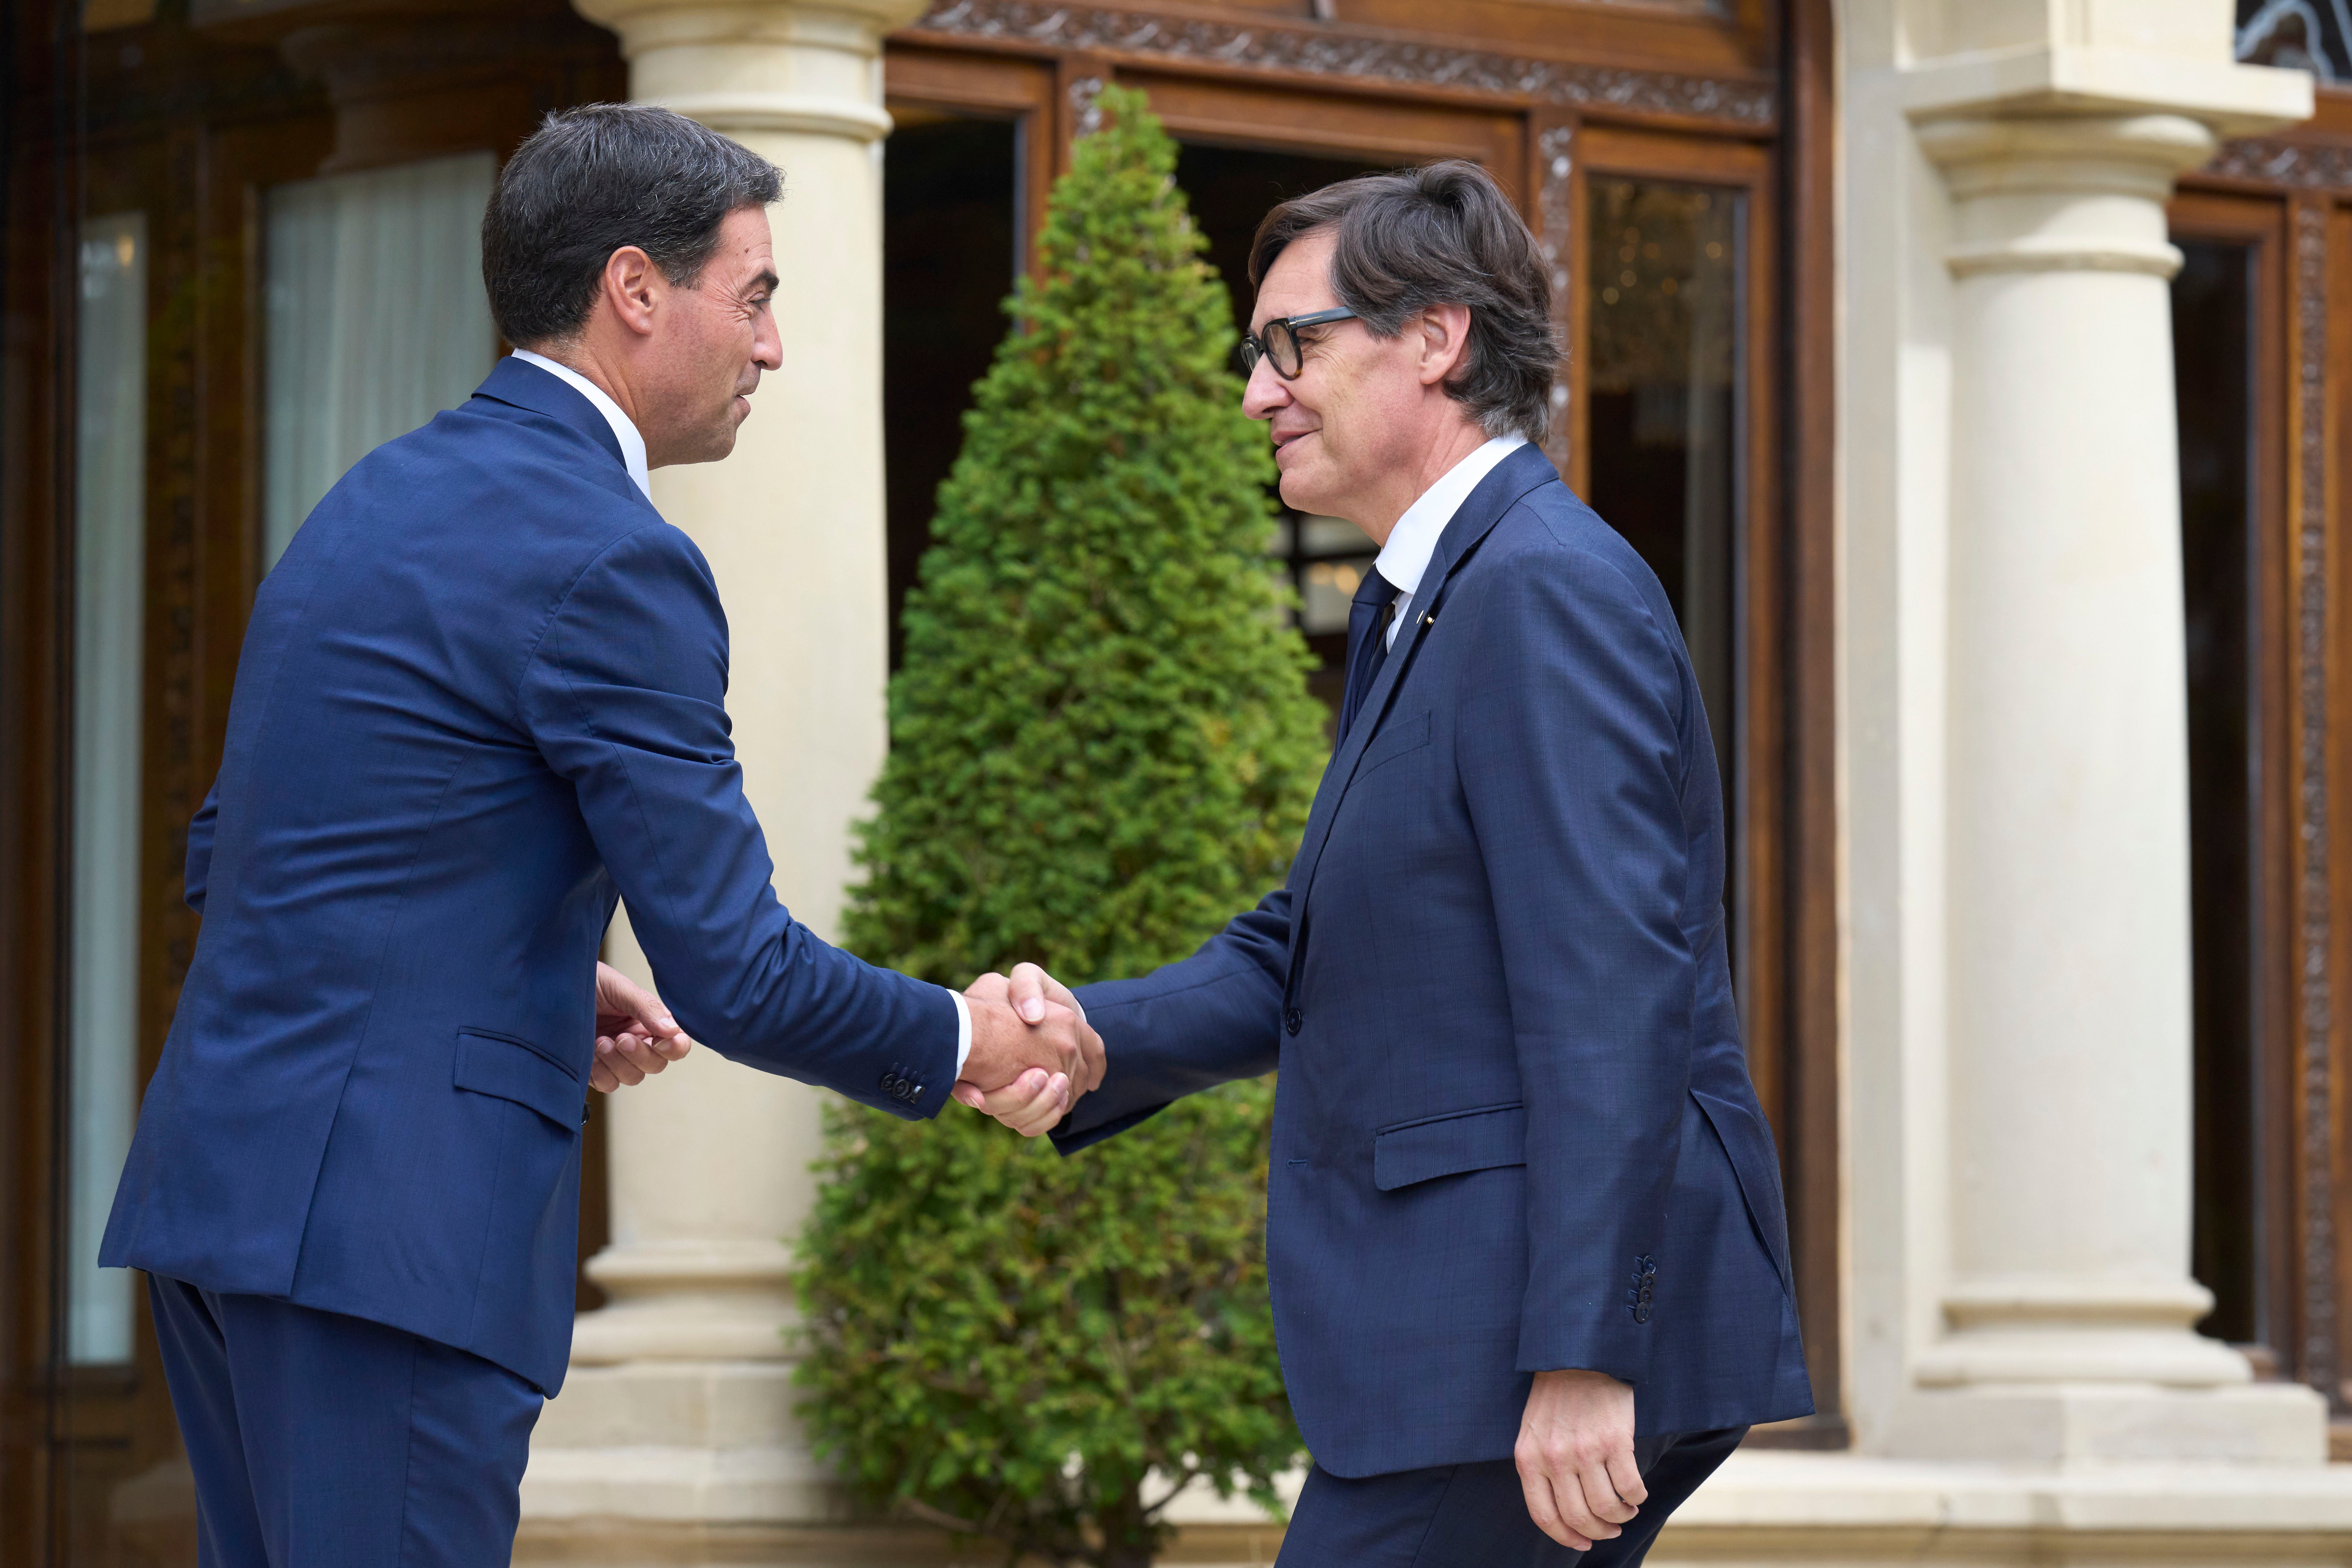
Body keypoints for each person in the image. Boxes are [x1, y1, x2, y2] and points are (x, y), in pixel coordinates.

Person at [99, 103, 1099, 1566]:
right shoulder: (614, 554)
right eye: (754, 296)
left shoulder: (370, 497)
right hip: (390, 1246)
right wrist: (959, 1041)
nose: (772, 346)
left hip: (233, 1209)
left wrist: (525, 975)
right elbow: (737, 969)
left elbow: (245, 847)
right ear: (637, 290)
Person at [969, 161, 1813, 1563]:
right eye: (1257, 355)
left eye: (1293, 344)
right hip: (1462, 1359)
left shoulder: (1537, 586)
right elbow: (1309, 945)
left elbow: (1613, 987)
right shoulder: (1431, 597)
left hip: (1511, 1362)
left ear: (1437, 337)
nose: (1258, 390)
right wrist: (1093, 1035)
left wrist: (1585, 1351)